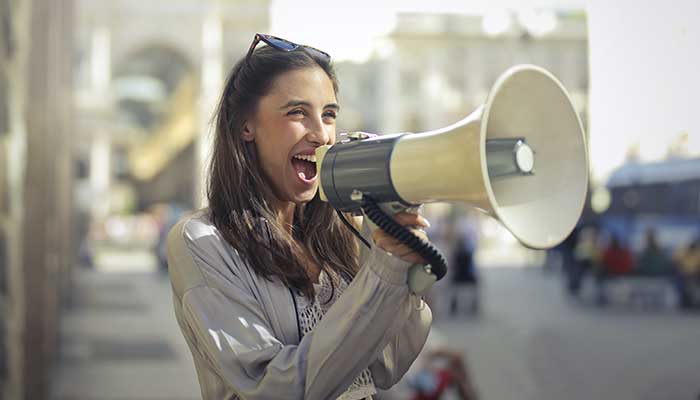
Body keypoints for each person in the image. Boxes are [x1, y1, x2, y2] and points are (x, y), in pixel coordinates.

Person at [166, 34, 433, 400]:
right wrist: (381, 276)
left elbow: (386, 365)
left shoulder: (343, 231)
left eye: (328, 115)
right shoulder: (201, 241)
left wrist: (401, 269)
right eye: (297, 113)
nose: (321, 134)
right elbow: (274, 388)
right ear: (246, 125)